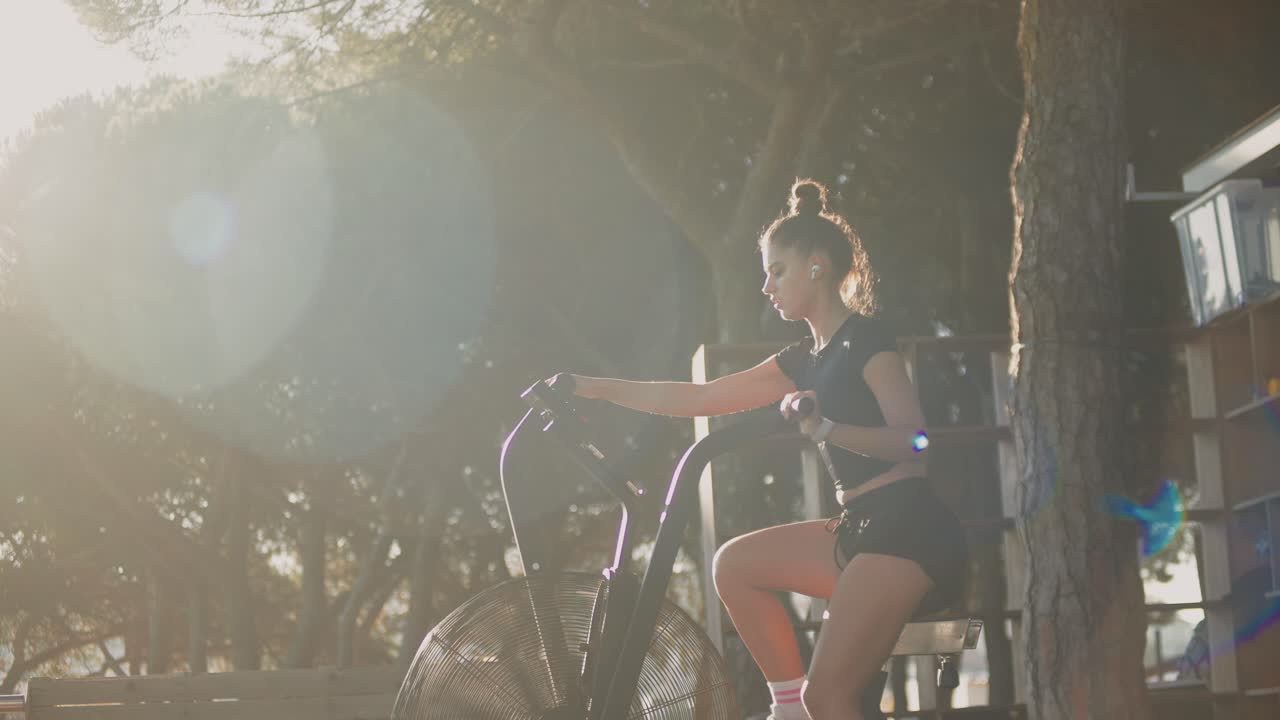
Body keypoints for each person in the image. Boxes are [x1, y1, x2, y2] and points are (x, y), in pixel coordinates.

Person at [563, 178, 969, 720]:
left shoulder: (867, 340)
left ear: (816, 267)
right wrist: (599, 389)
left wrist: (829, 431)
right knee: (735, 565)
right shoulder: (804, 359)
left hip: (909, 531)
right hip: (861, 529)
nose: (766, 286)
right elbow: (704, 397)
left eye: (776, 271)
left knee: (829, 696)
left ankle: (809, 707)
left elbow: (914, 442)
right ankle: (787, 710)